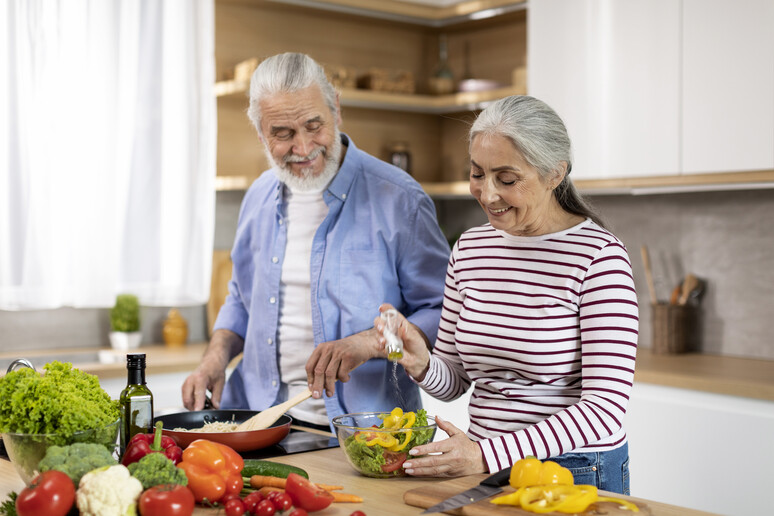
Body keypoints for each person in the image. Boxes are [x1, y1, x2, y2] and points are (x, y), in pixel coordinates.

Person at [366, 95, 638, 494]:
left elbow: (604, 409)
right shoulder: (471, 249)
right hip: (488, 470)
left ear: (554, 174)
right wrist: (421, 362)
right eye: (477, 174)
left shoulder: (599, 257)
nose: (487, 194)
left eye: (507, 179)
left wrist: (485, 454)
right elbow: (456, 380)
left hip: (574, 471)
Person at [181, 53, 450, 430]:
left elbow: (444, 312)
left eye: (313, 125)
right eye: (283, 133)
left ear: (336, 109)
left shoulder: (398, 198)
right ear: (260, 133)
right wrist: (215, 358)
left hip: (365, 434)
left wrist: (371, 342)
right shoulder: (257, 197)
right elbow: (242, 301)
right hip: (257, 421)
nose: (304, 148)